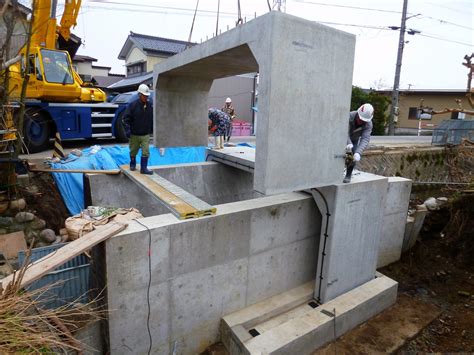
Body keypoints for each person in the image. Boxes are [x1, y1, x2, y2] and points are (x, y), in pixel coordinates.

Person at [122, 84, 154, 174]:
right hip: (134, 134)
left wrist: (151, 129)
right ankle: (132, 163)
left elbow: (152, 119)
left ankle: (144, 169)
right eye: (144, 95)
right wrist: (127, 130)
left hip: (145, 134)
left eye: (147, 96)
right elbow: (125, 119)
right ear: (139, 95)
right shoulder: (132, 106)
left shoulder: (150, 106)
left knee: (146, 152)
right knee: (133, 151)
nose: (146, 97)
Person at [343, 103, 374, 183]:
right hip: (342, 136)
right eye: (360, 119)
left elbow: (365, 139)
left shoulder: (368, 124)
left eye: (363, 121)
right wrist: (348, 143)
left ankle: (348, 175)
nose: (361, 122)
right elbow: (343, 131)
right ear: (358, 114)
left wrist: (358, 152)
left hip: (354, 139)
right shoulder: (349, 116)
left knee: (352, 156)